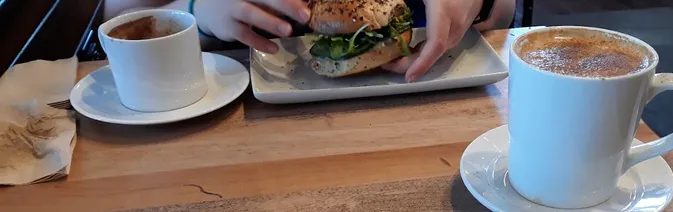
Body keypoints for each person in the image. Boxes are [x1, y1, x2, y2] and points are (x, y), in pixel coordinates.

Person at [104, 0, 515, 81]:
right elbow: (117, 15)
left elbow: (502, 16)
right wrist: (195, 9)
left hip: (431, 100)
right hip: (233, 98)